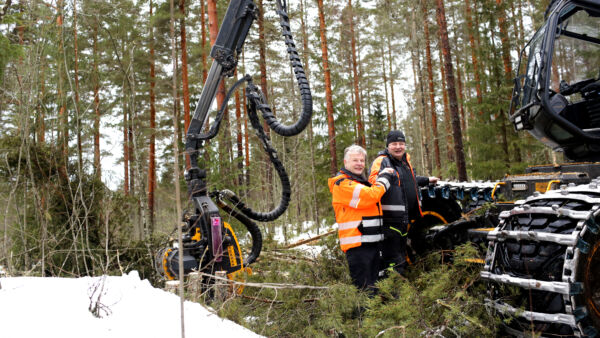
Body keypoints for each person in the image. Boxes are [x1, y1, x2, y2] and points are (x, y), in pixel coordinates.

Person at [368, 130, 438, 275]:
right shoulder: (382, 161)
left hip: (405, 218)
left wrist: (426, 180)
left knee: (403, 253)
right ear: (388, 146)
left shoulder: (404, 162)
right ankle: (392, 292)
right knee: (393, 258)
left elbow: (408, 181)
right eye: (394, 144)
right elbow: (372, 182)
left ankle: (401, 285)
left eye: (401, 144)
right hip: (390, 220)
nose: (398, 147)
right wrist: (383, 175)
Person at [328, 145, 395, 291]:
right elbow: (371, 196)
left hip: (372, 244)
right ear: (346, 162)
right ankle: (362, 315)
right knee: (365, 292)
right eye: (355, 160)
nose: (359, 163)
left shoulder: (360, 182)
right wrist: (385, 178)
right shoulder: (342, 184)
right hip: (358, 247)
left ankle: (374, 314)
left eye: (362, 160)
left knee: (375, 290)